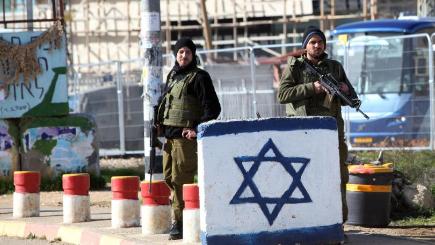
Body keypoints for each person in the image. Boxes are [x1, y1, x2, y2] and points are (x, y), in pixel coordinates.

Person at [277, 26, 359, 226]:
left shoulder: (335, 67)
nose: (317, 45)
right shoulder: (295, 67)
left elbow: (354, 100)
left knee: (338, 174)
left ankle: (338, 222)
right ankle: (305, 222)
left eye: (320, 42)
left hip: (332, 132)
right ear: (305, 46)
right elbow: (283, 95)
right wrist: (312, 88)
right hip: (303, 132)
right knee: (305, 176)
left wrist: (346, 89)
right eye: (312, 42)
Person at [156, 37, 221, 240]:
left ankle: (181, 222)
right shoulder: (173, 76)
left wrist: (195, 129)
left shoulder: (199, 77)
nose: (184, 56)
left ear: (194, 55)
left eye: (188, 52)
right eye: (180, 52)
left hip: (185, 139)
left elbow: (213, 109)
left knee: (180, 180)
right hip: (170, 138)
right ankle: (182, 217)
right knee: (168, 177)